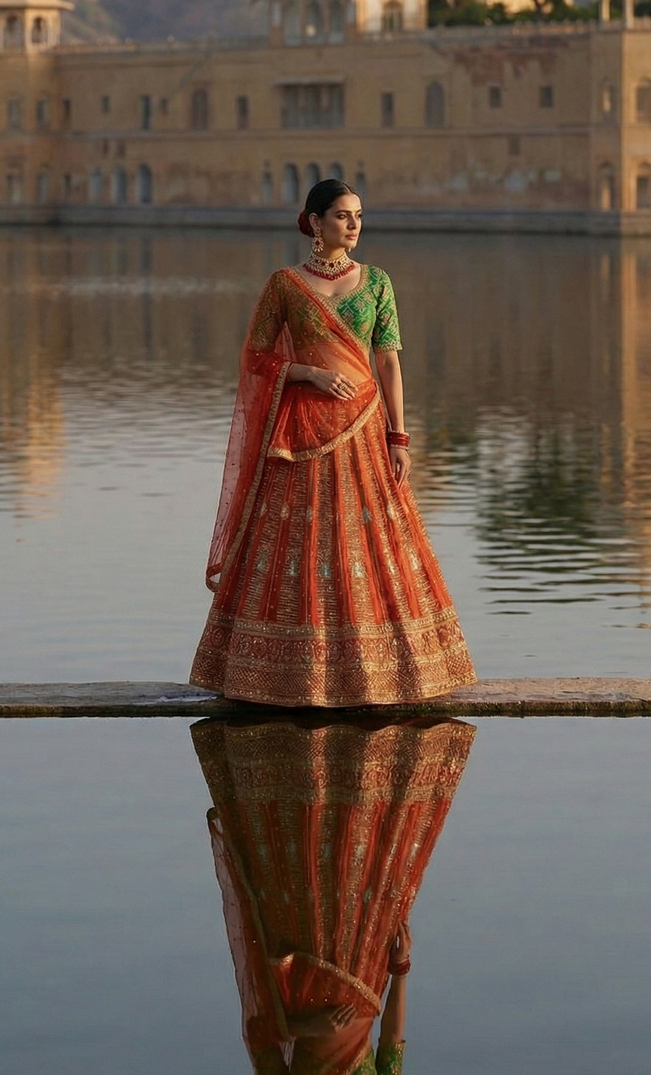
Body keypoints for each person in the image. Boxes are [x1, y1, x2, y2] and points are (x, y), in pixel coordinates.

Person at [190, 178, 476, 707]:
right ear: (314, 223)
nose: (354, 225)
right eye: (342, 216)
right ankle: (279, 677)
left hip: (364, 432)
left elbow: (388, 360)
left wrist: (400, 435)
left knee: (366, 544)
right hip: (299, 434)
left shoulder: (377, 283)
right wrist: (305, 373)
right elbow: (255, 359)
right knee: (301, 544)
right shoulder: (285, 285)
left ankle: (382, 673)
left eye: (359, 216)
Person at [192, 715, 476, 1075]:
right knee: (360, 864)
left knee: (307, 872)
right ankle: (369, 756)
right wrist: (403, 968)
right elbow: (392, 1037)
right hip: (366, 969)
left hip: (307, 974)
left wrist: (309, 1025)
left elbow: (261, 1030)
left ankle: (297, 758)